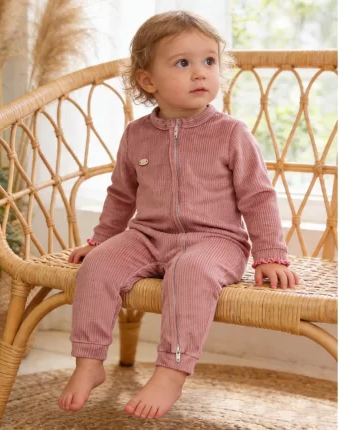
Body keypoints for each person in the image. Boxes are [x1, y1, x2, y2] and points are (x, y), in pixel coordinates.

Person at [58, 10, 299, 420]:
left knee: (189, 271)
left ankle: (171, 371)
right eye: (183, 63)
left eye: (209, 61)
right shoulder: (136, 134)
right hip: (148, 236)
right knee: (97, 267)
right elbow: (121, 194)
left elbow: (258, 197)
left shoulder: (231, 133)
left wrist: (270, 255)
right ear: (148, 81)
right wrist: (101, 240)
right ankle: (89, 361)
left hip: (216, 242)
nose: (200, 72)